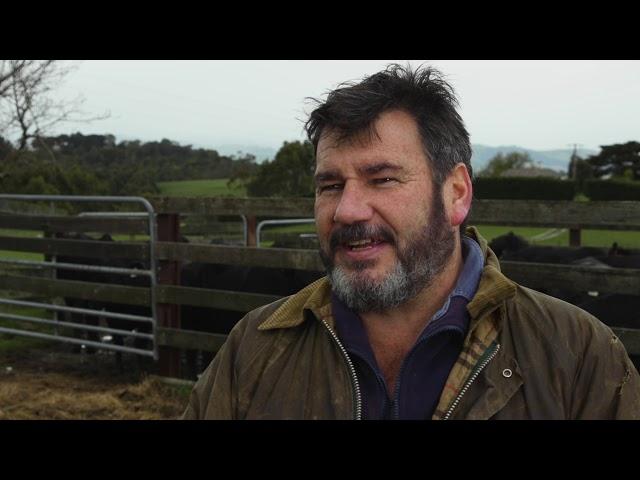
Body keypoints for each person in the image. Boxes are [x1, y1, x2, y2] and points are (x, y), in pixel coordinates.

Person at [182, 63, 640, 419]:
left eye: (382, 179)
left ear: (456, 193)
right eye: (330, 185)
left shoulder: (579, 356)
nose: (346, 210)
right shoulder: (256, 349)